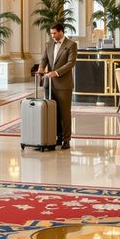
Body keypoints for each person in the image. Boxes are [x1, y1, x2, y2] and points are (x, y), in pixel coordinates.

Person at [36, 22, 77, 150]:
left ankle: (66, 139)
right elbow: (44, 59)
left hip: (63, 85)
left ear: (61, 32)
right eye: (51, 33)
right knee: (52, 112)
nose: (52, 35)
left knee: (64, 113)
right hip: (49, 84)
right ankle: (54, 138)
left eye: (54, 33)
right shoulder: (49, 44)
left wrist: (56, 72)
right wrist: (41, 67)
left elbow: (71, 63)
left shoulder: (71, 45)